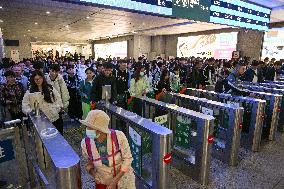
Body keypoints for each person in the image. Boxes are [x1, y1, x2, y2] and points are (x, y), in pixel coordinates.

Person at [80, 110, 136, 189]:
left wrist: (114, 181)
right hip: (102, 181)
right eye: (87, 127)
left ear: (99, 130)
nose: (87, 129)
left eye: (90, 127)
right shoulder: (85, 143)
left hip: (123, 180)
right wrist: (94, 174)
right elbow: (88, 163)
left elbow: (127, 159)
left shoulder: (119, 136)